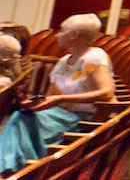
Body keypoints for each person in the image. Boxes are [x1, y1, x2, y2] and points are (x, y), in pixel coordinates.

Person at [0, 14, 116, 172]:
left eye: (62, 30)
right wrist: (36, 103)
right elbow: (51, 98)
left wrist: (60, 98)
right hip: (58, 116)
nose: (58, 35)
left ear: (74, 34)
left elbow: (107, 92)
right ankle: (16, 169)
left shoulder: (95, 56)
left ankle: (12, 169)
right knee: (22, 116)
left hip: (82, 119)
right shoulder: (62, 62)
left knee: (19, 120)